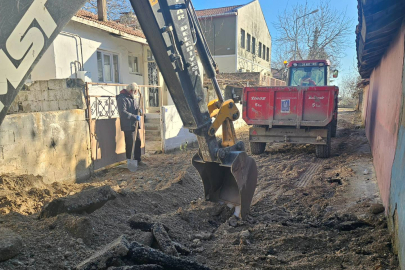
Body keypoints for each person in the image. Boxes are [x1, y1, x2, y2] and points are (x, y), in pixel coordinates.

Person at [117, 83, 143, 166]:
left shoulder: (132, 98)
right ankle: (130, 161)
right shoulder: (122, 98)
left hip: (134, 124)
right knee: (130, 144)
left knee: (138, 142)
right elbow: (123, 112)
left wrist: (140, 111)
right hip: (127, 125)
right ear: (132, 90)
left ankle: (138, 160)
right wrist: (134, 117)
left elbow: (135, 109)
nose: (136, 93)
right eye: (135, 92)